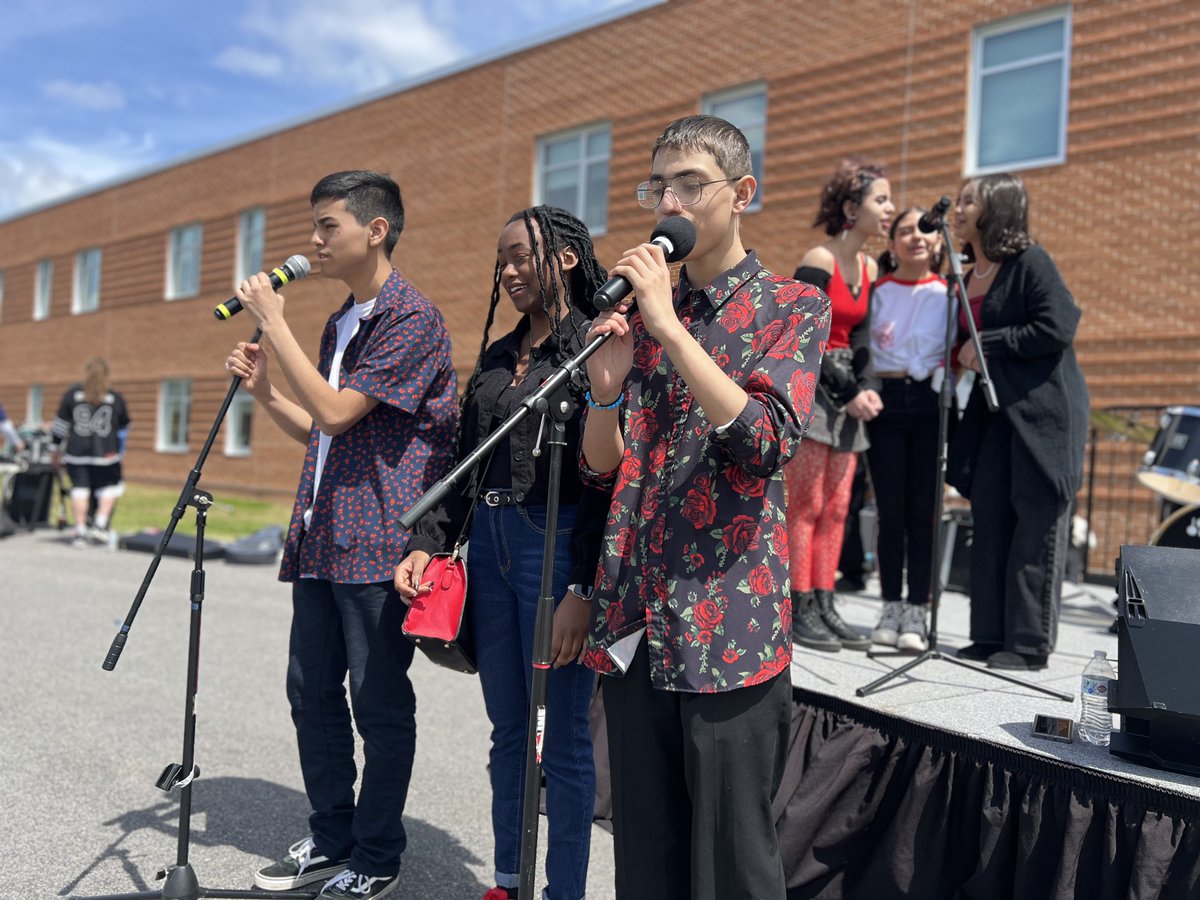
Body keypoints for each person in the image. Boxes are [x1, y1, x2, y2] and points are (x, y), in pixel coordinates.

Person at [579, 114, 830, 900]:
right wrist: (605, 394)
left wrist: (670, 331)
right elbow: (601, 472)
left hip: (731, 621)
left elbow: (764, 442)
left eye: (691, 184)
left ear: (740, 192)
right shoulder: (647, 313)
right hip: (638, 617)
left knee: (732, 865)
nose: (671, 202)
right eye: (660, 186)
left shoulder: (792, 305)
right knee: (645, 857)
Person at [226, 171, 458, 900]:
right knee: (310, 691)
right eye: (315, 228)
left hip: (380, 542)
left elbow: (333, 412)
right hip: (324, 532)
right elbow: (320, 434)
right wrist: (265, 391)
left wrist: (274, 320)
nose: (314, 243)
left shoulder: (410, 318)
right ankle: (332, 836)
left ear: (375, 230)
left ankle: (378, 851)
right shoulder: (340, 323)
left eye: (328, 227)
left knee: (377, 701)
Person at [395, 206, 609, 900]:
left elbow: (606, 479)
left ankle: (565, 893)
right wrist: (428, 542)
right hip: (486, 547)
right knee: (509, 731)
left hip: (556, 545)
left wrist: (582, 585)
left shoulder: (596, 346)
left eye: (523, 256)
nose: (510, 271)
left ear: (568, 258)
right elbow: (465, 462)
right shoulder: (497, 355)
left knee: (565, 739)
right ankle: (508, 883)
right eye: (503, 261)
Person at [946, 173, 1088, 671]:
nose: (958, 209)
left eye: (969, 201)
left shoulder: (1030, 263)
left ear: (998, 209)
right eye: (958, 200)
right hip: (991, 417)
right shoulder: (966, 276)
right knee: (988, 524)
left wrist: (988, 345)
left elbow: (1058, 326)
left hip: (1040, 417)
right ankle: (988, 635)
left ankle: (1028, 645)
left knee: (1034, 528)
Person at [785, 157, 893, 652]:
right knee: (804, 505)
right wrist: (851, 392)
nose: (889, 209)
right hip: (819, 391)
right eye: (881, 200)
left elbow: (866, 339)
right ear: (851, 207)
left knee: (838, 507)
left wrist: (867, 386)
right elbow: (808, 335)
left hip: (849, 391)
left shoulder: (871, 267)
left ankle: (825, 603)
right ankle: (798, 604)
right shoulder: (819, 260)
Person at [865, 207, 950, 652]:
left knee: (925, 512)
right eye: (904, 231)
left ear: (938, 240)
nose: (916, 237)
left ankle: (918, 607)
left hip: (933, 402)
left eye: (924, 230)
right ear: (892, 243)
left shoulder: (950, 293)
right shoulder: (876, 291)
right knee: (890, 511)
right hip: (888, 400)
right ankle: (890, 605)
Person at [50, 358, 130, 548]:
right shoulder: (114, 397)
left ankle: (80, 531)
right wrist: (119, 448)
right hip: (106, 454)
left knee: (80, 489)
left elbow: (59, 426)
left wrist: (55, 450)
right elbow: (125, 426)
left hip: (77, 452)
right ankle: (100, 526)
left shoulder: (72, 395)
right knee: (109, 488)